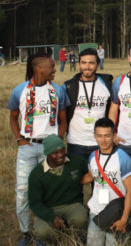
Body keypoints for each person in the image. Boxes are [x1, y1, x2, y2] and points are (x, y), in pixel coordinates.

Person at [8, 52, 69, 244]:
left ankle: (44, 232)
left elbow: (63, 120)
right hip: (27, 148)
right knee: (23, 191)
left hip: (49, 150)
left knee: (48, 190)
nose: (55, 69)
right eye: (51, 66)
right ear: (38, 69)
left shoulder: (58, 90)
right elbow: (13, 117)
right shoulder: (20, 90)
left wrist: (58, 142)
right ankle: (26, 232)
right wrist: (19, 139)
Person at [81, 118, 131, 246]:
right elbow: (91, 176)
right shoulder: (93, 156)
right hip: (96, 211)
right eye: (99, 136)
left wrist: (124, 219)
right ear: (94, 136)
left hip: (115, 213)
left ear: (114, 136)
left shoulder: (123, 158)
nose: (103, 140)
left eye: (107, 135)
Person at [28, 134, 88, 242]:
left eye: (62, 150)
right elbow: (34, 203)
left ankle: (75, 239)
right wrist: (52, 218)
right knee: (42, 232)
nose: (61, 155)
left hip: (72, 204)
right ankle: (55, 241)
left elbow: (94, 170)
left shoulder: (76, 161)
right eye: (55, 153)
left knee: (80, 218)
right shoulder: (37, 174)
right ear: (47, 154)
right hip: (48, 208)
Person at [63, 48, 113, 160]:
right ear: (78, 64)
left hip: (100, 143)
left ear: (98, 64)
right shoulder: (68, 86)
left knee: (99, 177)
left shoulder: (108, 86)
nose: (87, 66)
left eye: (91, 63)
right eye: (84, 63)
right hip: (76, 143)